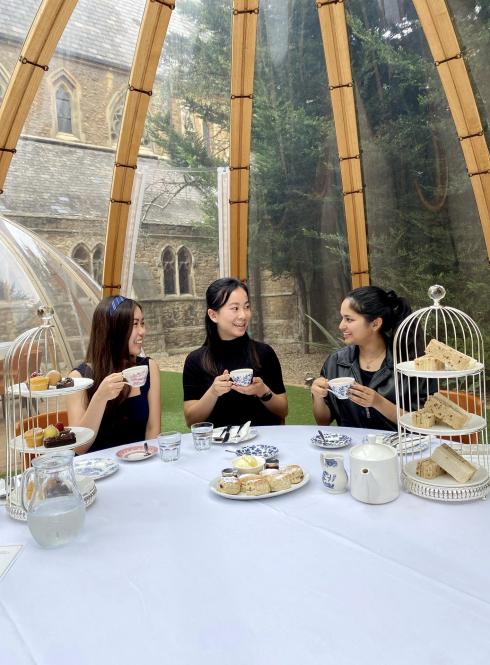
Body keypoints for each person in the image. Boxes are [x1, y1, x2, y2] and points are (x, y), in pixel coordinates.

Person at [183, 278, 288, 427]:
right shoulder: (195, 361)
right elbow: (191, 421)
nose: (243, 315)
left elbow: (283, 411)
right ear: (213, 315)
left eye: (246, 307)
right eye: (235, 308)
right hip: (220, 446)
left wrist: (263, 391)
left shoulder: (264, 353)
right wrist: (213, 392)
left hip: (261, 446)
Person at [311, 286, 418, 431]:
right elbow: (323, 421)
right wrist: (318, 396)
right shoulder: (335, 362)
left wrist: (378, 402)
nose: (341, 326)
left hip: (398, 449)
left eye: (349, 319)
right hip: (350, 449)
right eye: (342, 318)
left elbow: (422, 424)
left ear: (375, 323)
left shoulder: (410, 366)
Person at [67, 295, 161, 452]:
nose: (142, 331)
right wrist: (100, 397)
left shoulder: (148, 368)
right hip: (96, 472)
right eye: (135, 325)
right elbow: (79, 448)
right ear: (113, 329)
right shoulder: (78, 378)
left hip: (139, 467)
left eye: (142, 323)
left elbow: (153, 430)